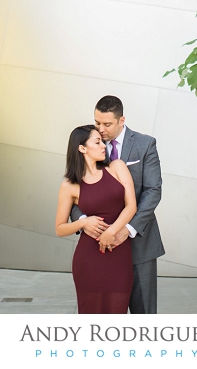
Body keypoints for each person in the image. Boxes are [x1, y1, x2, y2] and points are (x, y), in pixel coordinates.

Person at [73, 95, 164, 314]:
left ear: (121, 120)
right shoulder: (91, 146)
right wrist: (84, 222)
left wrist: (127, 229)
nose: (100, 129)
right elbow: (75, 192)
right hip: (100, 248)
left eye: (107, 124)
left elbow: (153, 191)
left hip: (139, 245)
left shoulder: (145, 144)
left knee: (144, 315)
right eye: (97, 123)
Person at [55, 124, 137, 314]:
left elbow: (131, 206)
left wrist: (111, 231)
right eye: (98, 142)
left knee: (117, 315)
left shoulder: (117, 167)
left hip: (119, 256)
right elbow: (60, 228)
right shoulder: (69, 186)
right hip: (89, 259)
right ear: (82, 148)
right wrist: (83, 222)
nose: (103, 146)